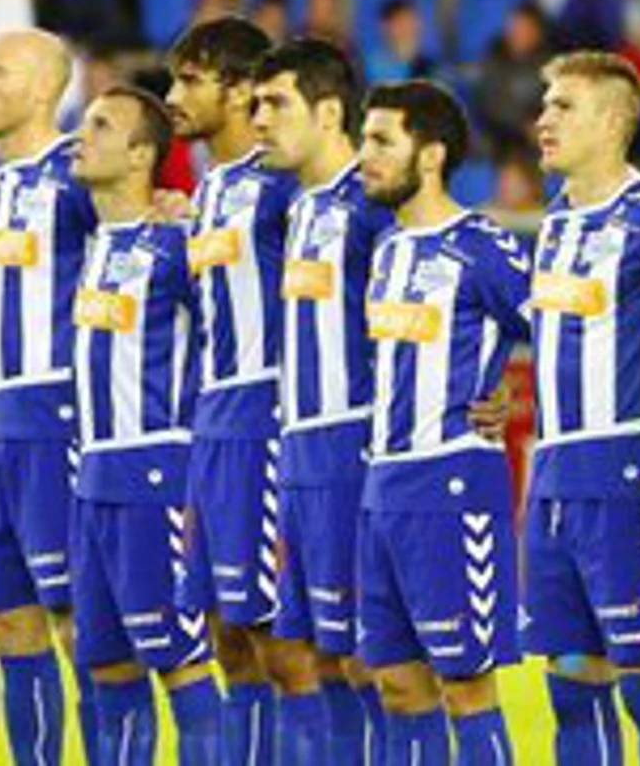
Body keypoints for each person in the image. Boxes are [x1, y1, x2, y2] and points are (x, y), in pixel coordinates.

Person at [502, 53, 640, 765]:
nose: (542, 120)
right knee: (571, 686)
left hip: (624, 474)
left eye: (563, 107)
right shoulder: (554, 221)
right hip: (550, 475)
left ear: (615, 120)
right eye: (545, 104)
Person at [356, 79, 530, 764]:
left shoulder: (483, 246)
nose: (364, 155)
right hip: (383, 489)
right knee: (397, 684)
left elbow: (559, 329)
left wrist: (522, 397)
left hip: (453, 485)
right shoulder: (388, 249)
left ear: (429, 156)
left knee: (465, 686)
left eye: (380, 141)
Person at [68, 83, 229, 765]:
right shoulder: (96, 242)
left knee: (182, 664)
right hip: (92, 476)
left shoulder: (178, 245)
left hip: (156, 474)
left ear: (140, 155)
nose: (82, 131)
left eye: (102, 125)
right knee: (107, 668)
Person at [250, 38, 395, 764]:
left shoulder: (373, 204)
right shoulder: (299, 208)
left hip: (352, 446)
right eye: (255, 104)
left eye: (276, 103)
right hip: (300, 449)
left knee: (375, 659)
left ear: (330, 110)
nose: (259, 119)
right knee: (316, 655)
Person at [0, 29, 105, 765]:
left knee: (80, 625)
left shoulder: (80, 177)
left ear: (46, 90)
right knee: (9, 625)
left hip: (57, 423)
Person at [165, 17, 300, 766]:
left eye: (191, 80)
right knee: (226, 637)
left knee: (284, 645)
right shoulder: (209, 189)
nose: (174, 96)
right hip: (210, 426)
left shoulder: (283, 186)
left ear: (244, 90)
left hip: (267, 420)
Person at [471, 3, 550, 156]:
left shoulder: (548, 62)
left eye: (524, 29)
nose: (517, 34)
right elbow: (491, 102)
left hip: (535, 135)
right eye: (514, 27)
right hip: (498, 133)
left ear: (538, 33)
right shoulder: (494, 56)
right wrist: (523, 125)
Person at [364, 0, 438, 84]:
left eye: (411, 22)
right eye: (401, 23)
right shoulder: (370, 67)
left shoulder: (430, 67)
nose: (408, 29)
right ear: (384, 26)